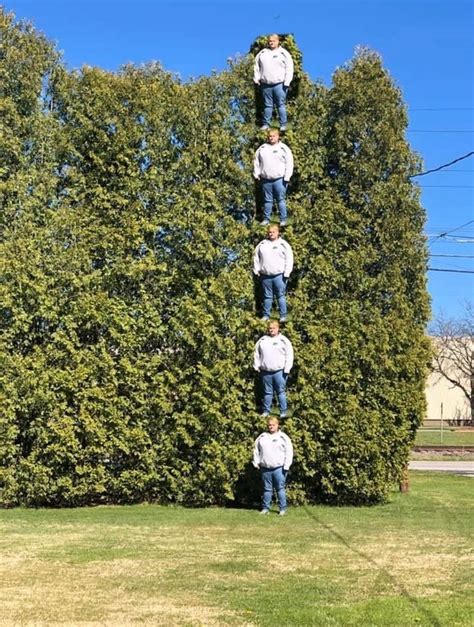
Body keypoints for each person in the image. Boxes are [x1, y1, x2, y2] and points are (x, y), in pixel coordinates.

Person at [252, 417, 294, 515]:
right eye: (269, 425)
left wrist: (286, 466)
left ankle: (282, 509)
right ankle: (265, 509)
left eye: (273, 425)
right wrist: (256, 462)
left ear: (277, 425)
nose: (271, 427)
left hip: (279, 469)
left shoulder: (283, 437)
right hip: (265, 468)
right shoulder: (262, 437)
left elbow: (289, 452)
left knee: (280, 489)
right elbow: (256, 450)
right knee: (267, 489)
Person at [253, 33, 294, 131]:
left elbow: (289, 68)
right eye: (270, 41)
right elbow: (256, 66)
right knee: (268, 106)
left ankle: (283, 125)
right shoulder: (262, 53)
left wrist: (287, 82)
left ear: (278, 41)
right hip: (265, 84)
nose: (271, 43)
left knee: (281, 105)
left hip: (280, 84)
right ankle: (266, 124)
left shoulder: (283, 53)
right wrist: (256, 78)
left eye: (273, 41)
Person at [253, 320, 294, 418]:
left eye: (273, 328)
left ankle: (283, 412)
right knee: (267, 393)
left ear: (278, 328)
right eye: (270, 328)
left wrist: (287, 369)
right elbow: (256, 353)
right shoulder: (263, 340)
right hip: (265, 372)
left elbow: (289, 354)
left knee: (280, 392)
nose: (271, 330)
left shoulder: (283, 340)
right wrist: (256, 365)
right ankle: (266, 411)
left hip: (280, 372)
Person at [253, 224, 293, 322]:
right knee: (267, 297)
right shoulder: (262, 244)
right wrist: (256, 270)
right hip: (265, 276)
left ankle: (283, 316)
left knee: (280, 296)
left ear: (278, 233)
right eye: (270, 232)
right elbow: (256, 257)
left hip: (280, 276)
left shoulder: (283, 244)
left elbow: (289, 258)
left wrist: (287, 273)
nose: (271, 234)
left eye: (273, 232)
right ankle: (266, 315)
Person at [253, 129, 294, 226]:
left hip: (280, 180)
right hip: (265, 180)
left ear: (278, 137)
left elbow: (289, 163)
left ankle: (283, 220)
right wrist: (256, 174)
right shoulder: (262, 148)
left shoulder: (283, 148)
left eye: (273, 136)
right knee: (267, 201)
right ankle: (266, 219)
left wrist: (287, 177)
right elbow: (256, 161)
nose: (271, 138)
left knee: (281, 200)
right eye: (270, 136)